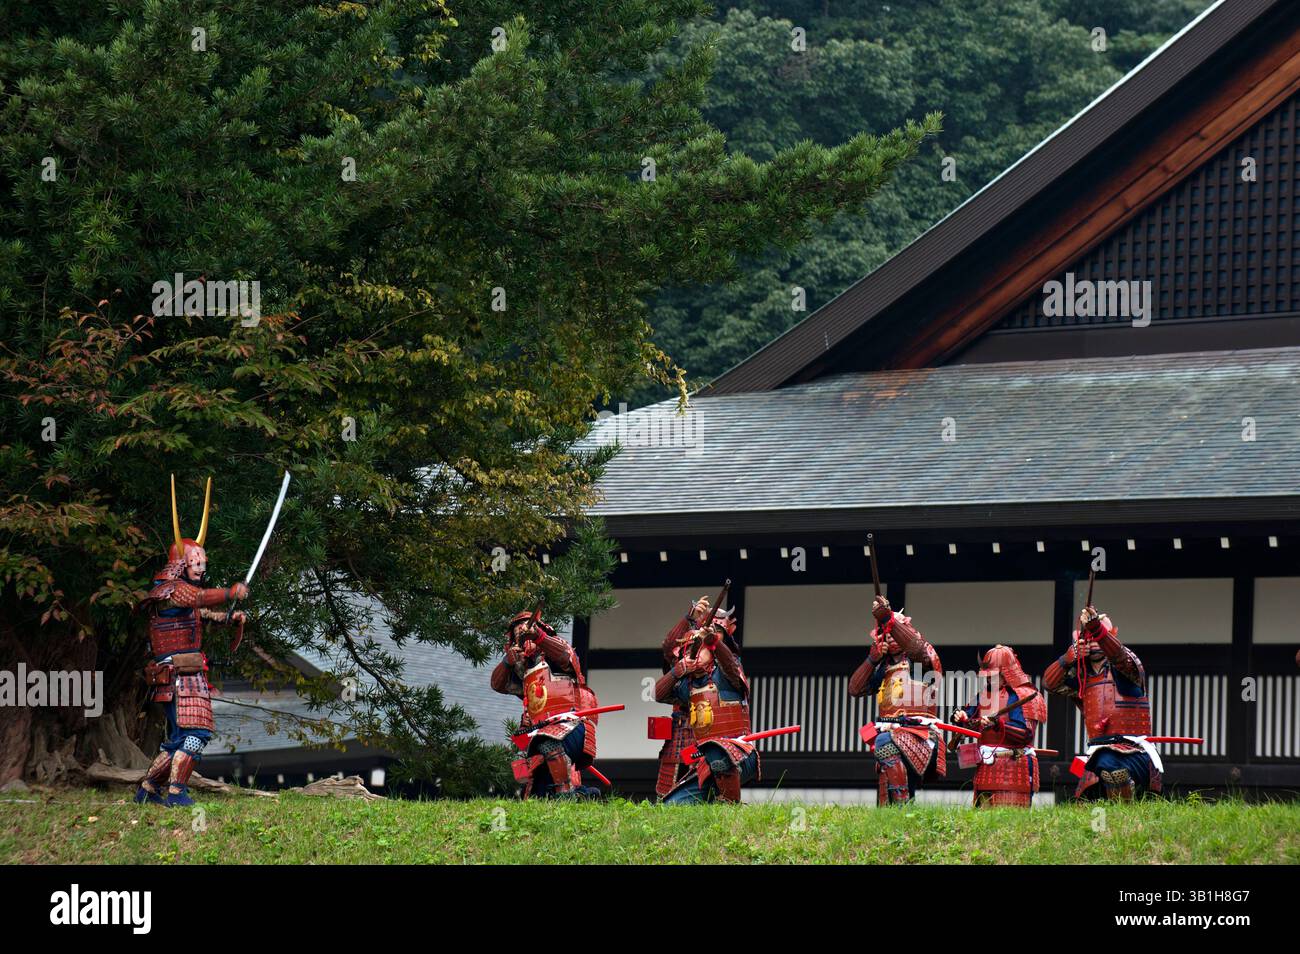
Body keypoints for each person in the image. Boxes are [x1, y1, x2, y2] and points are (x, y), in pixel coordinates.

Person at [135, 477, 247, 808]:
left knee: (178, 739)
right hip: (179, 677)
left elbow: (199, 613)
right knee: (195, 737)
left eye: (202, 562)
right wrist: (230, 593)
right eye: (195, 562)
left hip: (186, 676)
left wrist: (227, 616)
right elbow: (196, 598)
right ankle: (176, 792)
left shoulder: (176, 593)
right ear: (182, 563)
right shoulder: (172, 590)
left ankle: (147, 789)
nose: (201, 567)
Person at [1044, 604, 1161, 800]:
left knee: (1108, 762)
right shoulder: (1082, 678)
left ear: (1110, 637)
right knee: (1085, 796)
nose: (1095, 643)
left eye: (1100, 638)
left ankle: (1124, 810)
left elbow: (1120, 658)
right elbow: (1049, 684)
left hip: (1133, 752)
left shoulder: (1127, 669)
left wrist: (1097, 629)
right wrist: (1068, 658)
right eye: (1089, 639)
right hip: (1097, 753)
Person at [490, 610, 601, 798]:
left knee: (549, 743)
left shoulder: (557, 652)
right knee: (536, 792)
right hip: (539, 731)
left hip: (570, 722)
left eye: (525, 627)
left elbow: (567, 657)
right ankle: (584, 795)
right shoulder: (524, 673)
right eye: (517, 629)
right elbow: (497, 684)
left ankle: (566, 794)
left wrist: (540, 637)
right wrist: (508, 661)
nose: (521, 631)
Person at [849, 595, 946, 804]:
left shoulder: (921, 660)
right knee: (886, 799)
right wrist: (872, 659)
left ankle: (902, 806)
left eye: (895, 633)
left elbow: (917, 650)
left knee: (884, 743)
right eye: (886, 634)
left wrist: (889, 621)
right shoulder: (883, 669)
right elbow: (854, 689)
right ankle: (901, 814)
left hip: (919, 733)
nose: (891, 637)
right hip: (894, 736)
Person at [655, 611, 757, 803]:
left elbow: (731, 666)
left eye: (700, 648)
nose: (693, 653)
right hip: (705, 762)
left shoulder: (727, 674)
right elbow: (657, 694)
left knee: (718, 750)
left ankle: (729, 806)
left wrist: (714, 642)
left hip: (738, 754)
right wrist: (678, 670)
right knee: (671, 805)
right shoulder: (688, 684)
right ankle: (710, 799)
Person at [951, 644, 1047, 808]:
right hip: (986, 767)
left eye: (993, 675)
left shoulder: (1024, 695)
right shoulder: (983, 695)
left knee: (1012, 823)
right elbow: (970, 721)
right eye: (987, 676)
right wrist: (960, 717)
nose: (988, 679)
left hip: (1014, 764)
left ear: (1006, 672)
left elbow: (1025, 734)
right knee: (982, 823)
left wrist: (998, 724)